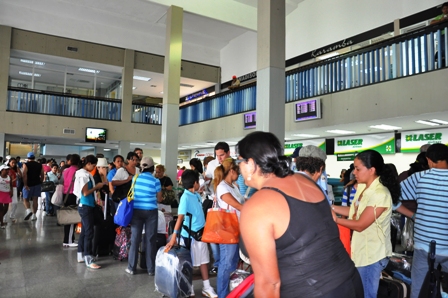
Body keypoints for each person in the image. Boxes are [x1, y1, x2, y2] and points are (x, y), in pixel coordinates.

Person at [237, 132, 363, 297]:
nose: (237, 167)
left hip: (311, 291)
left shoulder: (257, 206)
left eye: (239, 161)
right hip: (349, 282)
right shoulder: (307, 182)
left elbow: (269, 283)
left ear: (251, 164)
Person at [331, 150, 400, 298]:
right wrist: (331, 207)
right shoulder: (363, 187)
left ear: (372, 170)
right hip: (362, 249)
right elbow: (354, 211)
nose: (354, 172)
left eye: (357, 168)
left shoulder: (380, 194)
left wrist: (335, 219)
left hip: (372, 255)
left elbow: (361, 224)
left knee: (367, 294)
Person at [396, 143, 448, 298]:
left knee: (418, 290)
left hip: (424, 246)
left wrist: (412, 216)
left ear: (429, 160)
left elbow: (391, 199)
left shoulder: (420, 177)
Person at [165, 170, 218, 298]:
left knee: (204, 261)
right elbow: (180, 218)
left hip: (201, 235)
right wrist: (173, 237)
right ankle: (190, 287)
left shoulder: (197, 195)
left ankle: (206, 287)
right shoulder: (185, 197)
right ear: (194, 183)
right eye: (197, 182)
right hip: (190, 237)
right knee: (189, 263)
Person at [125, 156, 162, 275]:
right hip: (151, 212)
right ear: (153, 168)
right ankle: (151, 270)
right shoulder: (156, 181)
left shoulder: (135, 178)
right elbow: (159, 198)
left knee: (135, 239)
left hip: (137, 211)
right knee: (150, 239)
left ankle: (131, 268)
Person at [213, 158, 244, 298]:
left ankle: (232, 292)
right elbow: (237, 205)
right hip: (227, 230)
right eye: (237, 171)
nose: (239, 174)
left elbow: (241, 201)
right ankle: (222, 294)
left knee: (233, 261)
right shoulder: (222, 187)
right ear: (232, 171)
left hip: (237, 228)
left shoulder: (233, 186)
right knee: (226, 263)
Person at [73, 155, 105, 269]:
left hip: (88, 205)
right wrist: (97, 187)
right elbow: (85, 193)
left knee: (85, 232)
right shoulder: (83, 175)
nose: (94, 167)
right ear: (88, 164)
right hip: (86, 205)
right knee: (89, 232)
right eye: (93, 165)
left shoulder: (84, 174)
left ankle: (81, 255)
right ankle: (88, 258)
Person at [204, 142, 231, 276]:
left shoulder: (233, 166)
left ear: (228, 153)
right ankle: (218, 262)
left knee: (227, 235)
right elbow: (207, 178)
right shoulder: (212, 165)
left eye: (222, 155)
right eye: (217, 155)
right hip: (215, 204)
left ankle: (227, 263)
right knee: (214, 235)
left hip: (229, 205)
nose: (219, 158)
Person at [61, 154, 80, 247]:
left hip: (66, 195)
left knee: (67, 218)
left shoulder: (66, 170)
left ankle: (68, 239)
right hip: (73, 195)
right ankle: (68, 241)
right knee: (72, 219)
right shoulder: (77, 171)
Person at [22, 152, 44, 221]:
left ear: (28, 158)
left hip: (29, 184)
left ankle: (28, 210)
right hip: (37, 184)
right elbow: (42, 175)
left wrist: (25, 184)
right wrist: (40, 182)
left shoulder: (26, 165)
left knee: (25, 199)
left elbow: (24, 174)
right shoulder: (40, 165)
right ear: (34, 158)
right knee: (35, 200)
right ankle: (34, 215)